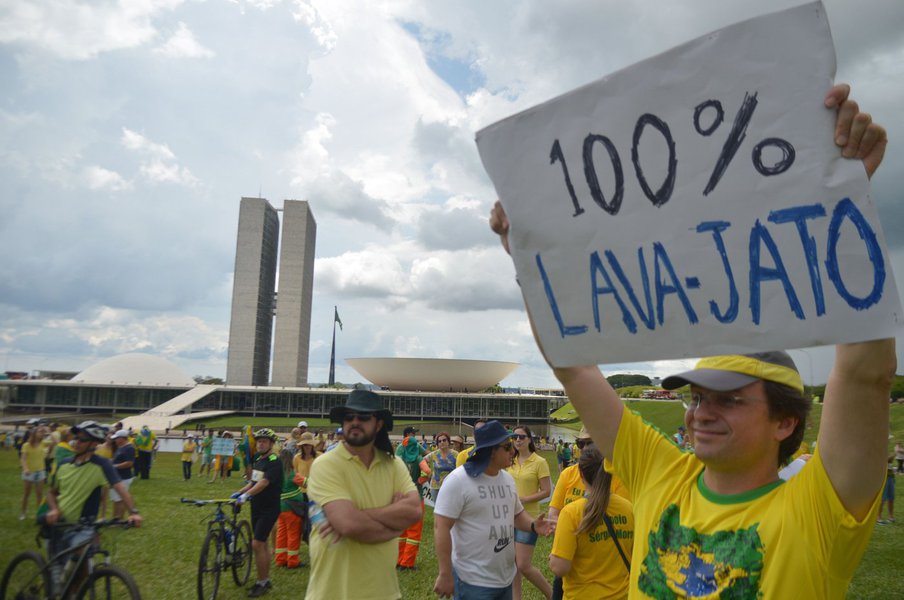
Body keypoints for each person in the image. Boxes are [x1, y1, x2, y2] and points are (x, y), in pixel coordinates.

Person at [489, 84, 893, 597]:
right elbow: (574, 367)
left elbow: (865, 375)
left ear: (785, 422)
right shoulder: (661, 473)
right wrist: (530, 262)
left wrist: (850, 192)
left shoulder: (820, 508)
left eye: (729, 399)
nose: (701, 411)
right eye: (699, 396)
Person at [305, 390, 421, 600]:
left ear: (378, 424)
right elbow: (350, 525)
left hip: (385, 593)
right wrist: (395, 527)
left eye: (364, 417)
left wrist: (357, 516)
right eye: (349, 417)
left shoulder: (394, 465)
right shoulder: (326, 465)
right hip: (333, 593)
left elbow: (414, 510)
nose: (355, 422)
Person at [433, 420, 553, 599]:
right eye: (506, 447)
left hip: (505, 579)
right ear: (490, 451)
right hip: (473, 581)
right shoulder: (458, 480)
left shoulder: (506, 479)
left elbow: (517, 514)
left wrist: (534, 525)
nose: (512, 451)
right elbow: (440, 527)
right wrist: (445, 573)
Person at [550, 444, 634, 599]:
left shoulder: (571, 513)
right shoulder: (629, 508)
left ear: (580, 474)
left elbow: (559, 568)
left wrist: (553, 558)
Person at [231, 428, 283, 598]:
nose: (260, 444)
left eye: (264, 441)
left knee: (257, 544)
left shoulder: (274, 461)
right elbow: (253, 482)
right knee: (263, 544)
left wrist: (246, 496)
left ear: (271, 444)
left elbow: (264, 483)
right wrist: (239, 492)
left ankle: (261, 582)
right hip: (257, 508)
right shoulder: (259, 460)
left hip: (269, 508)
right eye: (259, 441)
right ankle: (265, 580)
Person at [507, 425, 552, 600]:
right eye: (515, 437)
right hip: (508, 518)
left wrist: (524, 499)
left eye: (522, 437)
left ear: (529, 439)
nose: (518, 440)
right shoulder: (509, 460)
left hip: (529, 518)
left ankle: (552, 594)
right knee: (512, 564)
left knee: (523, 565)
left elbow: (546, 490)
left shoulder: (539, 462)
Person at [275, 447, 305, 568]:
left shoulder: (277, 474)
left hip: (280, 508)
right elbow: (305, 482)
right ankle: (293, 560)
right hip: (292, 508)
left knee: (281, 533)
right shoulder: (291, 473)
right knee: (293, 534)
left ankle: (280, 559)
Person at [19, 424, 47, 520]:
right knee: (27, 494)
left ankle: (39, 514)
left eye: (43, 432)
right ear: (34, 433)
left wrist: (49, 432)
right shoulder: (26, 445)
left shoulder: (43, 443)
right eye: (40, 432)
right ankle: (23, 512)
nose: (42, 434)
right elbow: (23, 459)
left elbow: (56, 442)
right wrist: (25, 468)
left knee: (39, 494)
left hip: (40, 472)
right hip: (29, 472)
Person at [424, 431, 459, 502]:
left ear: (448, 441)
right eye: (439, 441)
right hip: (435, 486)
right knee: (437, 509)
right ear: (437, 444)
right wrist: (427, 472)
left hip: (450, 486)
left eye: (444, 440)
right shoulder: (433, 454)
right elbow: (422, 461)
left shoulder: (455, 454)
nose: (442, 442)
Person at [110, 429, 136, 519]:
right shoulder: (121, 447)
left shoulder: (129, 448)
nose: (115, 440)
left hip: (124, 477)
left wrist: (114, 466)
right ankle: (116, 518)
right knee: (116, 499)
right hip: (118, 476)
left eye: (117, 438)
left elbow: (129, 463)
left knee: (119, 499)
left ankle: (118, 519)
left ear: (122, 438)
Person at [877, 452, 895, 524]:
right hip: (883, 478)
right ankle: (878, 517)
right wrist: (890, 457)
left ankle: (891, 517)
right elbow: (885, 459)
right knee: (883, 499)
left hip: (891, 477)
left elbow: (891, 457)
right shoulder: (878, 451)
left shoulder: (886, 449)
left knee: (891, 498)